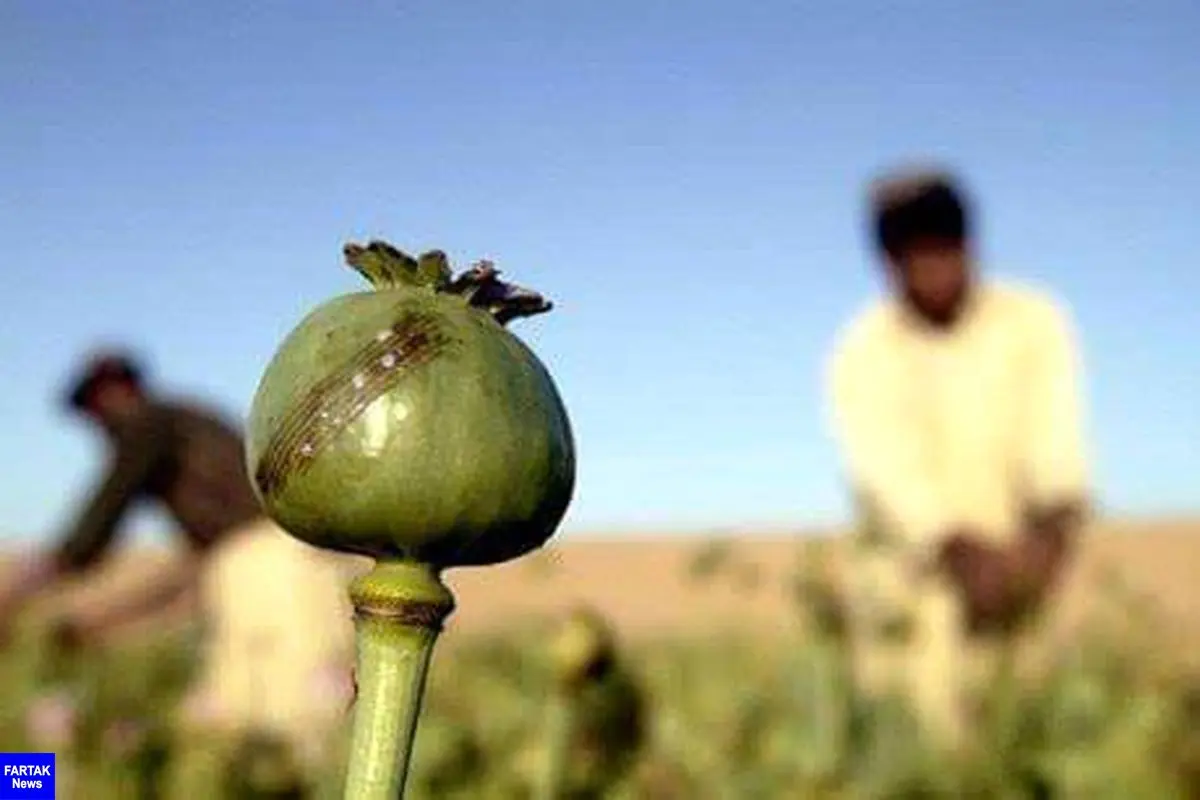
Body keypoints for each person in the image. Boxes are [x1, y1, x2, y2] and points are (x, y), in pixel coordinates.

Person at [824, 168, 1090, 751]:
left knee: (1034, 746)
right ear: (889, 262)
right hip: (915, 602)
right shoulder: (862, 350)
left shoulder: (1034, 322)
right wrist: (959, 552)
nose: (933, 267)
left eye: (943, 247)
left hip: (1031, 579)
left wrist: (1043, 552)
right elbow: (887, 474)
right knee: (925, 758)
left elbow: (1058, 444)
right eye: (914, 253)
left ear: (969, 244)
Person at [0, 351, 362, 773]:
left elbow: (95, 526)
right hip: (260, 566)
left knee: (291, 722)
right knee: (245, 719)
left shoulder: (151, 422)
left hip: (277, 568)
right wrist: (100, 618)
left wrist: (20, 593)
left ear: (115, 394)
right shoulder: (189, 438)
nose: (102, 429)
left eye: (96, 413)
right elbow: (186, 571)